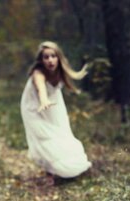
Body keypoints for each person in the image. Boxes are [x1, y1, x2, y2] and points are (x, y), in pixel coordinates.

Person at [20, 41, 91, 180]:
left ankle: (64, 169)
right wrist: (44, 100)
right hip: (34, 107)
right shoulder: (38, 73)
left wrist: (75, 91)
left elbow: (65, 83)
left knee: (61, 133)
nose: (50, 60)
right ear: (41, 60)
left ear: (59, 57)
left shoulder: (60, 71)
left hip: (55, 104)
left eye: (53, 56)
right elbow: (41, 89)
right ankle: (53, 171)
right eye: (46, 57)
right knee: (46, 137)